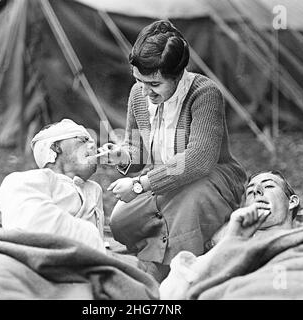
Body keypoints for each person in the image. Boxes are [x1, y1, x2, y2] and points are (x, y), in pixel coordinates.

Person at [100, 20, 246, 282]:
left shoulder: (204, 93)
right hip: (163, 179)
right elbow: (138, 151)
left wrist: (139, 185)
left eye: (154, 84)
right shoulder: (138, 95)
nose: (146, 91)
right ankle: (170, 247)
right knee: (121, 222)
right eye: (139, 81)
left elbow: (199, 160)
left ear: (178, 76)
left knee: (188, 208)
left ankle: (168, 274)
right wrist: (122, 155)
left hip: (211, 179)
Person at [159, 170, 303, 299]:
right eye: (250, 191)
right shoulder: (227, 248)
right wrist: (231, 240)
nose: (257, 191)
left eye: (269, 186)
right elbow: (171, 295)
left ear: (292, 201)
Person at [0, 119, 106, 253]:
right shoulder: (23, 179)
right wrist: (93, 239)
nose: (93, 146)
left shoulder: (94, 190)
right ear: (56, 147)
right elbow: (32, 224)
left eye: (93, 141)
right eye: (83, 140)